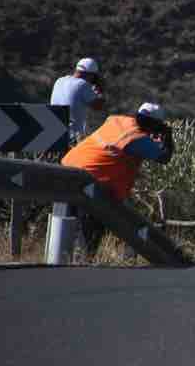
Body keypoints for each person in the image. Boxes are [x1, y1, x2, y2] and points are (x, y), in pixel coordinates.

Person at [61, 103, 175, 253]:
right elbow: (164, 157)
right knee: (93, 226)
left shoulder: (117, 121)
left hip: (69, 166)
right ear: (155, 124)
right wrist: (167, 137)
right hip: (90, 179)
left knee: (67, 224)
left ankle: (66, 255)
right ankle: (85, 257)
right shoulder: (137, 139)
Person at [50, 57, 106, 143]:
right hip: (72, 138)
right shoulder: (83, 84)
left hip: (54, 135)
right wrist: (100, 91)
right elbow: (98, 107)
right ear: (90, 75)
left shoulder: (59, 81)